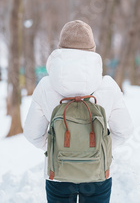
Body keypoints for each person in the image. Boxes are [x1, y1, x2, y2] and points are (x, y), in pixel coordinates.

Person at [24, 20, 133, 203]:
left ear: (60, 49)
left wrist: (59, 149)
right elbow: (124, 131)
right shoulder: (107, 85)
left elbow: (32, 133)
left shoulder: (45, 86)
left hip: (58, 173)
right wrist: (97, 150)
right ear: (92, 49)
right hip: (98, 173)